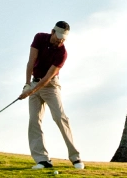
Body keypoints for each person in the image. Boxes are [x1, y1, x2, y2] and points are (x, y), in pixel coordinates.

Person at [19, 21, 83, 169]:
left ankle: (75, 157)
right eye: (58, 37)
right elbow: (31, 61)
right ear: (52, 32)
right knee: (34, 121)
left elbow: (48, 77)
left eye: (63, 39)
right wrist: (27, 85)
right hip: (34, 82)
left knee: (60, 117)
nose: (60, 41)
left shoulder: (62, 53)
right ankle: (43, 160)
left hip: (51, 86)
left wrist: (30, 91)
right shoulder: (39, 38)